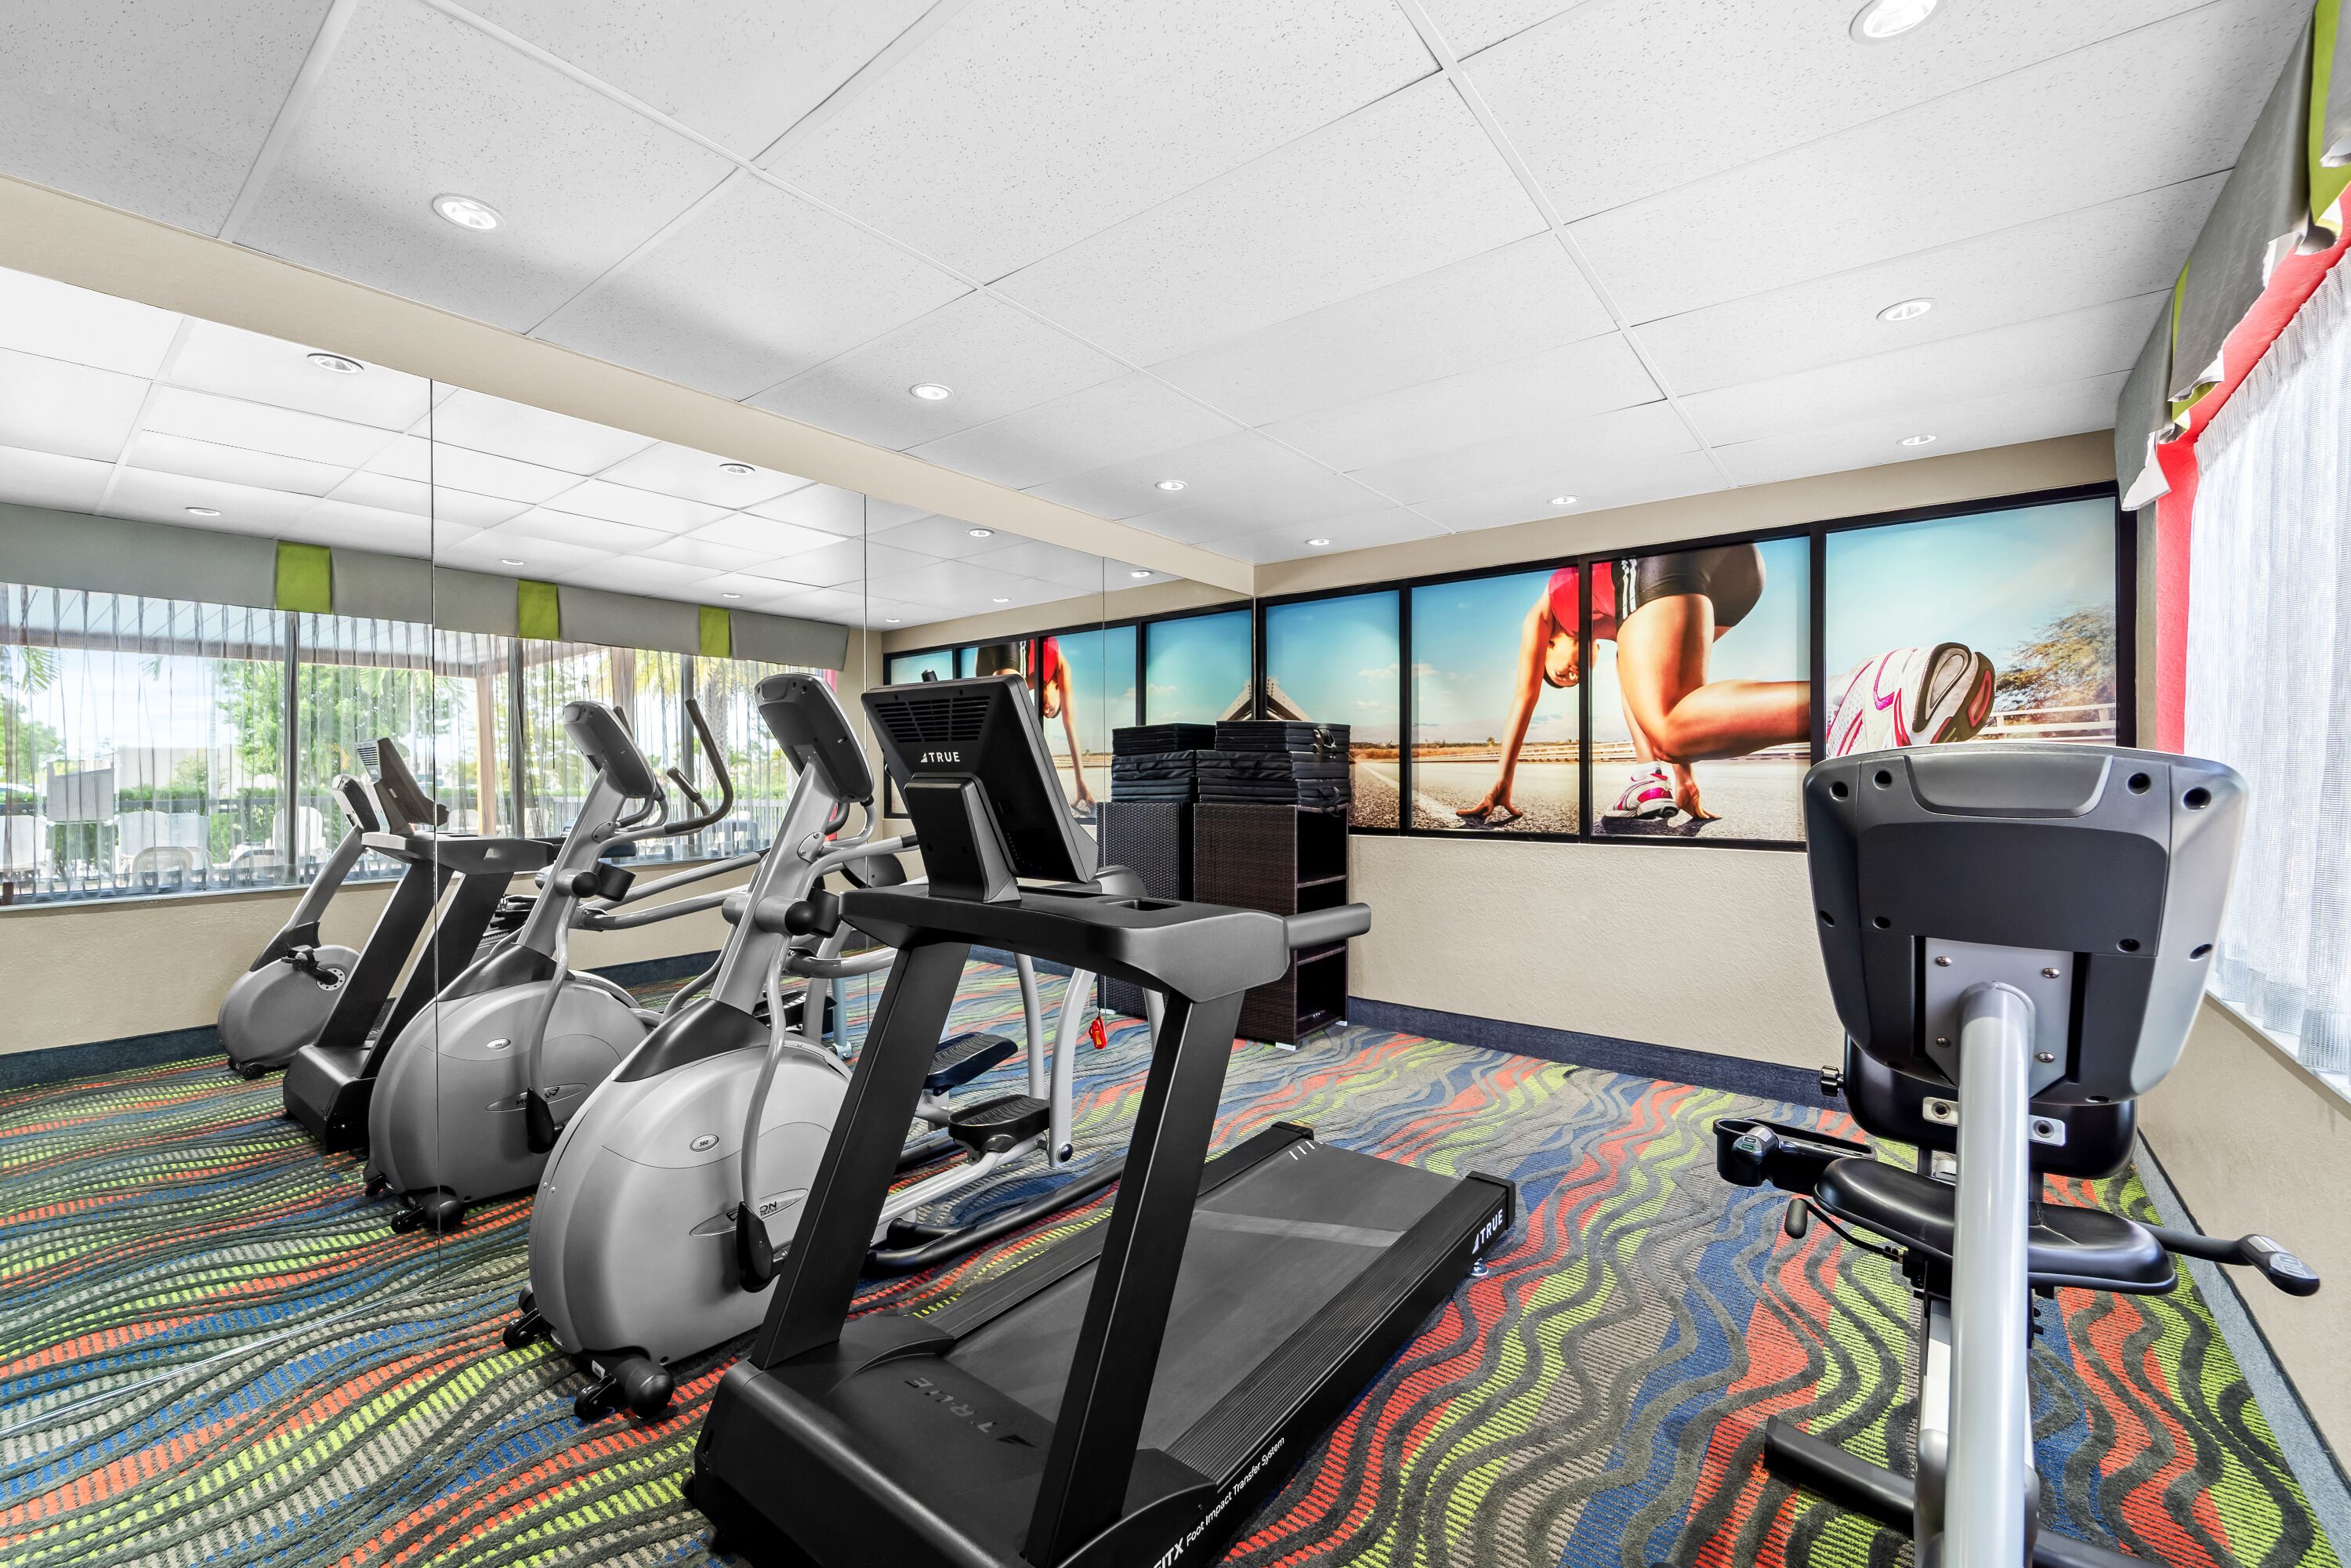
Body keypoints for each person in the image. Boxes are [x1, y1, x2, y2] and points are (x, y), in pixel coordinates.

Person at [1458, 545, 1994, 827]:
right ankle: (1652, 780)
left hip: (1662, 562)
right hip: (1737, 573)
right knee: (1669, 720)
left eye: (1561, 671)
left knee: (1668, 720)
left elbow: (1523, 698)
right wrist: (1677, 777)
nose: (1568, 674)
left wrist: (1502, 781)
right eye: (1567, 681)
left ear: (1550, 646)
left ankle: (1866, 694)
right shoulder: (1620, 627)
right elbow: (1645, 704)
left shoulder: (1545, 613)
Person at [988, 638, 1095, 815]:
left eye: (1045, 713)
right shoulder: (1061, 666)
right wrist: (1081, 782)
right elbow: (1070, 723)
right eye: (1051, 709)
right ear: (1058, 689)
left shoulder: (1031, 680)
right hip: (1021, 640)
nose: (1045, 709)